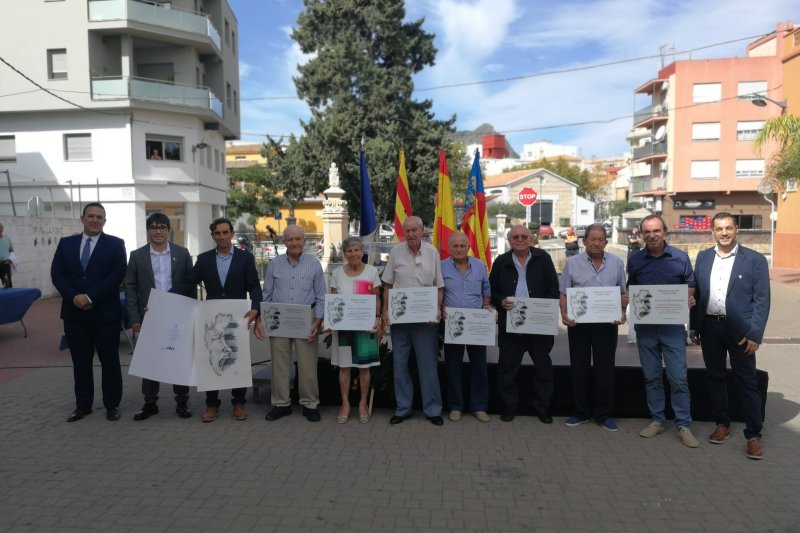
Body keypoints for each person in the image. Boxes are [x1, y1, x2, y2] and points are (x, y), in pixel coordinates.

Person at [690, 212, 770, 460]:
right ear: (712, 232)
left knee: (747, 381)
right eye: (718, 229)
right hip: (710, 328)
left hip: (741, 332)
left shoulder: (755, 260)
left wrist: (755, 334)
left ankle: (754, 434)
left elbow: (762, 300)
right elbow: (699, 295)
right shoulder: (703, 258)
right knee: (715, 377)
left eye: (728, 228)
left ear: (737, 230)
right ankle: (722, 424)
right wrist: (695, 326)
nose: (723, 233)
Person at [181, 217, 264, 422]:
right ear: (212, 236)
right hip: (212, 318)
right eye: (217, 233)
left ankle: (238, 404)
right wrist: (161, 300)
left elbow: (254, 285)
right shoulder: (204, 259)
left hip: (238, 317)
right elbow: (187, 284)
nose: (222, 237)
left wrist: (255, 309)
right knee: (211, 359)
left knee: (238, 359)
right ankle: (212, 405)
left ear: (232, 234)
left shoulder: (245, 258)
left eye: (225, 232)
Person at [627, 214, 699, 448]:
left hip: (672, 327)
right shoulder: (635, 260)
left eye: (656, 230)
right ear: (641, 234)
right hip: (646, 329)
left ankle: (683, 424)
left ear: (665, 232)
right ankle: (657, 420)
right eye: (647, 231)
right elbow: (632, 288)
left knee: (678, 377)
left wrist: (688, 299)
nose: (652, 235)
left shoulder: (680, 258)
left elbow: (690, 286)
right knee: (651, 376)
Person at [51, 203, 127, 422]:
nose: (95, 220)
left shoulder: (115, 244)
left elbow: (117, 274)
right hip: (75, 315)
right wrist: (74, 297)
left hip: (104, 314)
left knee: (110, 362)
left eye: (100, 217)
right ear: (82, 219)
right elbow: (57, 274)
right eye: (91, 216)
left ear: (105, 220)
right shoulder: (66, 244)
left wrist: (91, 297)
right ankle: (83, 405)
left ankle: (112, 405)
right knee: (81, 363)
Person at [123, 213, 195, 421]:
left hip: (176, 316)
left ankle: (182, 402)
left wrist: (190, 313)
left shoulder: (182, 254)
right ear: (148, 230)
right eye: (153, 227)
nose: (158, 231)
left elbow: (190, 284)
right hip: (149, 317)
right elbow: (130, 287)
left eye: (162, 227)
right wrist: (134, 318)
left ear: (168, 230)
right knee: (150, 361)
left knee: (178, 359)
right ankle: (150, 403)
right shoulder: (137, 255)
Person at [559, 223, 627, 431]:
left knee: (605, 370)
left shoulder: (617, 263)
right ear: (584, 241)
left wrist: (622, 313)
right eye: (592, 239)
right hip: (578, 324)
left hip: (606, 325)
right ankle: (581, 412)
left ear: (606, 242)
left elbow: (622, 293)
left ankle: (602, 414)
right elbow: (564, 293)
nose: (596, 243)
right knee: (579, 368)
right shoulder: (572, 264)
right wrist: (564, 314)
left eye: (600, 239)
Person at [489, 224, 559, 423]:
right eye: (516, 237)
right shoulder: (501, 262)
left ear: (531, 239)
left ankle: (543, 408)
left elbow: (554, 288)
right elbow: (492, 292)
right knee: (507, 370)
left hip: (539, 326)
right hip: (511, 327)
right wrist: (501, 301)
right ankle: (509, 408)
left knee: (543, 370)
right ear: (509, 240)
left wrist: (540, 307)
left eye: (524, 236)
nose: (520, 240)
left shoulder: (543, 258)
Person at [381, 216, 445, 426]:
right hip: (401, 320)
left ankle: (433, 409)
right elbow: (388, 285)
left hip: (426, 321)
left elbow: (439, 285)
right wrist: (385, 311)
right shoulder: (396, 252)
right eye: (407, 230)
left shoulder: (432, 252)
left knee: (428, 366)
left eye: (414, 230)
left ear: (422, 230)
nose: (410, 234)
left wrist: (436, 309)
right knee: (400, 365)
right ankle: (403, 408)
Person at [262, 224, 326, 422]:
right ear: (284, 242)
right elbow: (268, 294)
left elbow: (321, 296)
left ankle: (310, 404)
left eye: (298, 239)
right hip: (280, 321)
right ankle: (281, 404)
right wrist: (268, 321)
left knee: (307, 365)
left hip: (305, 320)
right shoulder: (274, 265)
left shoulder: (314, 264)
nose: (294, 243)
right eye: (290, 239)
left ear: (304, 241)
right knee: (279, 365)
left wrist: (318, 320)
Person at [328, 236, 381, 424]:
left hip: (365, 328)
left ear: (362, 252)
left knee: (364, 368)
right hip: (344, 329)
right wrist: (330, 321)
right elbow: (333, 301)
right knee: (345, 368)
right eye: (349, 251)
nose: (353, 254)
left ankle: (362, 403)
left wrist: (377, 319)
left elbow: (376, 299)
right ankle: (345, 404)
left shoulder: (371, 272)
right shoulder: (337, 274)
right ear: (344, 254)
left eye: (357, 250)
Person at [441, 232, 492, 423]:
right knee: (453, 367)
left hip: (476, 324)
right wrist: (441, 307)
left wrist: (486, 305)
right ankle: (455, 406)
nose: (459, 249)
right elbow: (438, 291)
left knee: (479, 367)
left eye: (463, 245)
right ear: (449, 247)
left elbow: (486, 290)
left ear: (468, 246)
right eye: (455, 246)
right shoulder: (441, 266)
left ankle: (479, 407)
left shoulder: (479, 266)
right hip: (452, 324)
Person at [0, 222, 13, 288]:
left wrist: (10, 260)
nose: (0, 229)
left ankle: (11, 298)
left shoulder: (7, 238)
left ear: (3, 229)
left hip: (5, 264)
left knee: (7, 284)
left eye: (1, 228)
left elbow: (11, 250)